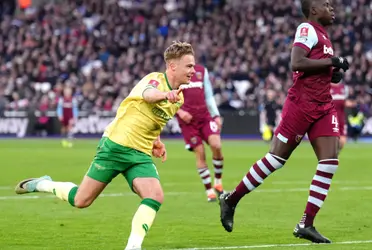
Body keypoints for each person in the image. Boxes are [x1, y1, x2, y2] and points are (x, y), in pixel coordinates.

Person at [14, 41, 196, 250]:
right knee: (81, 200)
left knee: (155, 196)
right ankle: (43, 184)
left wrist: (157, 141)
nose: (193, 70)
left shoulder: (178, 99)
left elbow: (154, 119)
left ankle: (133, 247)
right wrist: (165, 95)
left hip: (139, 154)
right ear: (173, 66)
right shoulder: (155, 80)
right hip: (116, 146)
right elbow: (148, 95)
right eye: (189, 66)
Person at [219, 0, 350, 244]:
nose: (332, 8)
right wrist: (331, 63)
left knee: (330, 162)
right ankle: (231, 199)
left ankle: (306, 224)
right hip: (301, 105)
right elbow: (297, 62)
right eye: (326, 4)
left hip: (323, 106)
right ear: (313, 9)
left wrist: (332, 73)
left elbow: (315, 67)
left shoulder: (325, 37)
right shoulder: (307, 28)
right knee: (275, 160)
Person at [176, 64, 224, 202]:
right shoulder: (175, 73)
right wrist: (180, 112)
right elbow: (169, 98)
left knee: (217, 145)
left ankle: (218, 182)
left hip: (204, 116)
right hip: (188, 122)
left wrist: (216, 115)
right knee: (200, 152)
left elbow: (209, 95)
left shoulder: (202, 71)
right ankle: (209, 190)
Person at [330, 83, 356, 153]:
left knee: (343, 140)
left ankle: (335, 153)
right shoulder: (327, 87)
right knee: (331, 138)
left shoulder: (344, 88)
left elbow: (345, 102)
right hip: (330, 118)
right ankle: (330, 155)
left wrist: (352, 104)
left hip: (341, 118)